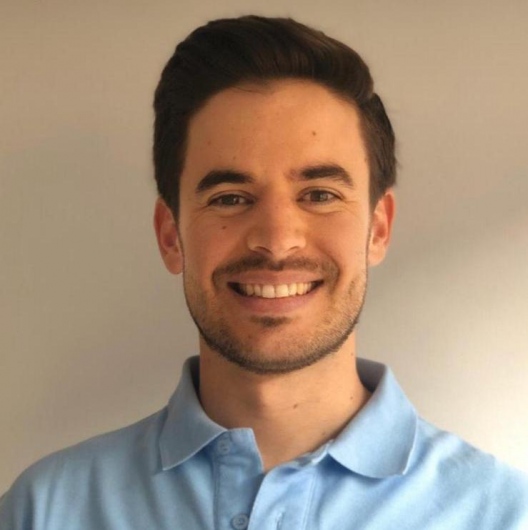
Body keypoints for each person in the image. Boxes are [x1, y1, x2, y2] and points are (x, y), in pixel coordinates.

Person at [1, 15, 527, 530]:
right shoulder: (43, 512)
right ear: (171, 235)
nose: (276, 241)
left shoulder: (504, 515)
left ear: (378, 228)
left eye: (319, 195)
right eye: (230, 198)